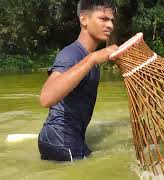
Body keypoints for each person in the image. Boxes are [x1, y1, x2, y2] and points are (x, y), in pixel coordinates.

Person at [38, 0, 118, 161]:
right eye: (103, 19)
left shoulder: (88, 58)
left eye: (112, 20)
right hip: (61, 142)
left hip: (61, 140)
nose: (110, 25)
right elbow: (46, 98)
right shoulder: (72, 54)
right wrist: (92, 59)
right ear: (84, 20)